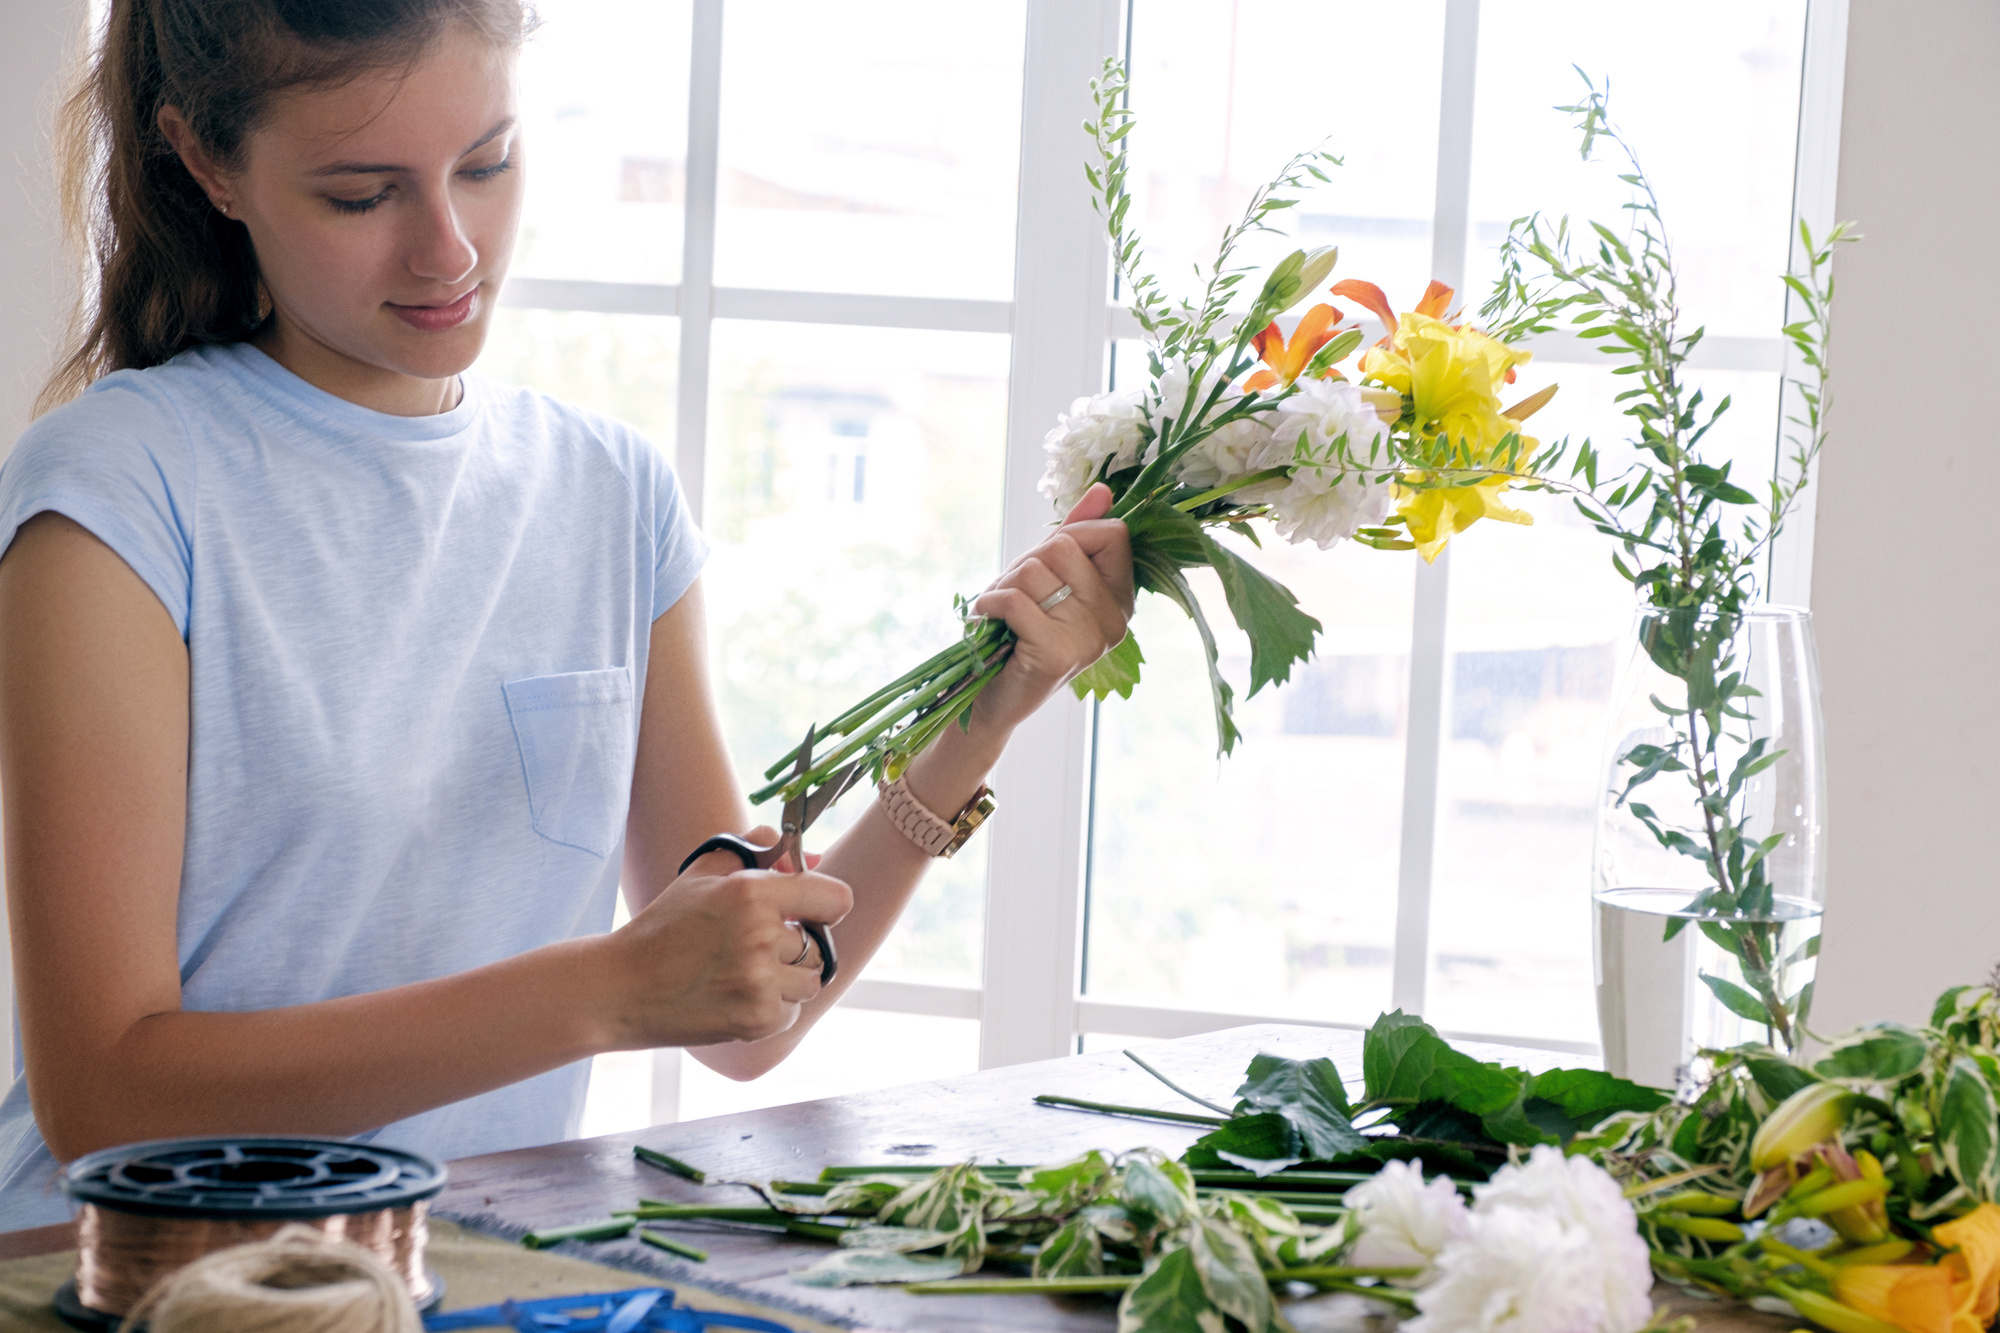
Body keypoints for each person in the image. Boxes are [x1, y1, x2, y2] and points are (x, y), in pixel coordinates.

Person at [0, 0, 1132, 1229]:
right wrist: (607, 989)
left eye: (486, 165)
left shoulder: (609, 492)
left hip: (466, 1278)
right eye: (361, 195)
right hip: (129, 1286)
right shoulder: (119, 491)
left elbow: (744, 1015)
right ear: (208, 162)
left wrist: (990, 706)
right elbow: (106, 1096)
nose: (449, 250)